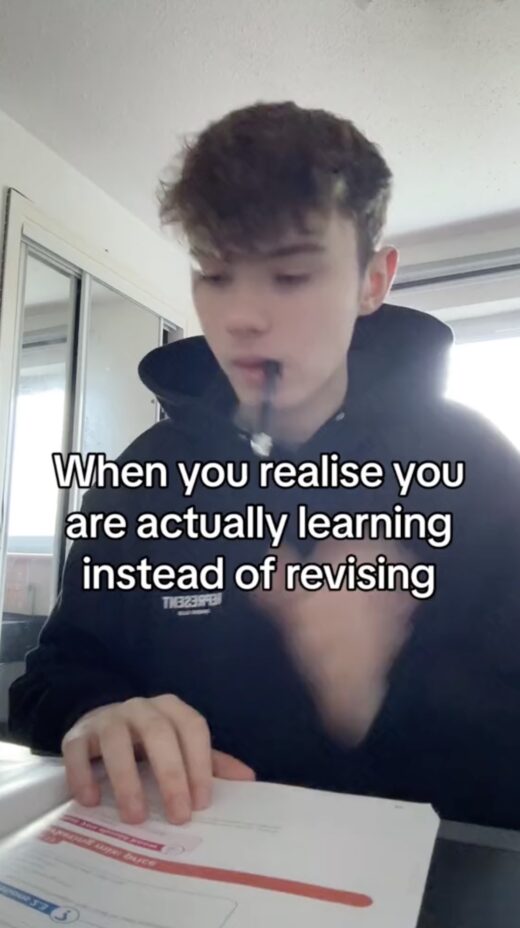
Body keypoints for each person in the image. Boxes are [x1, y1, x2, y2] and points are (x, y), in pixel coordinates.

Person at [9, 101, 520, 830]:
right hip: (173, 872)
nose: (242, 315)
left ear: (373, 280)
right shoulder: (143, 475)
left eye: (289, 275)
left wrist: (378, 697)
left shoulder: (482, 469)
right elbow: (53, 674)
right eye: (216, 273)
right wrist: (98, 713)